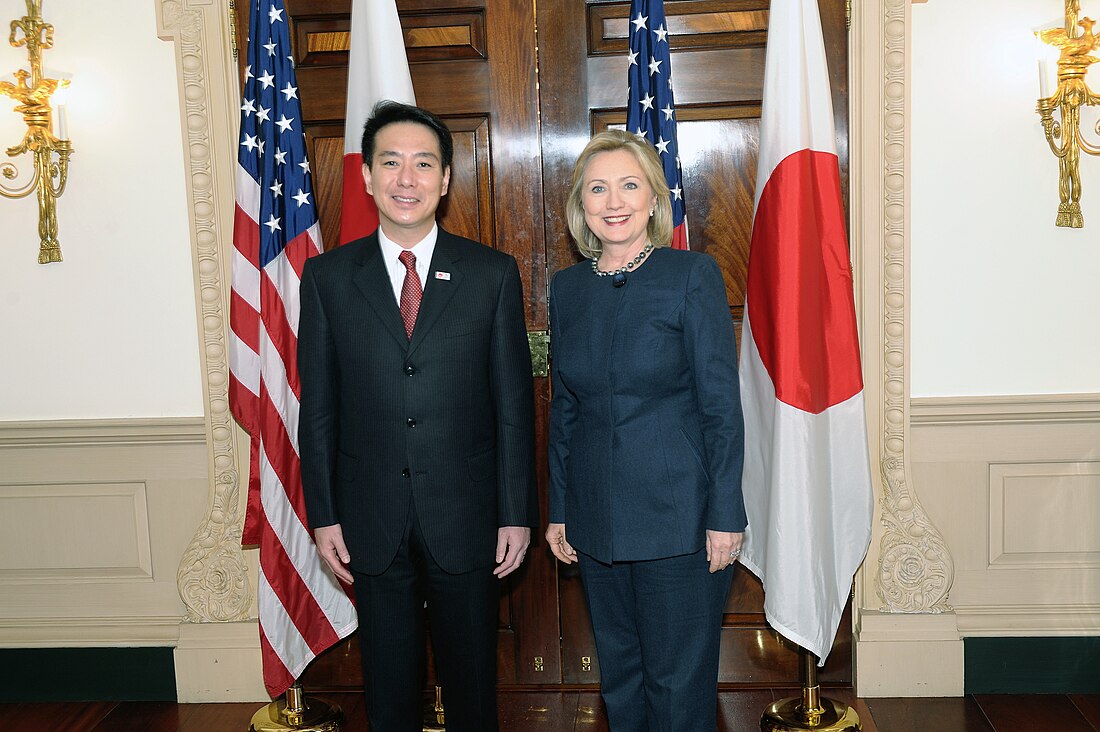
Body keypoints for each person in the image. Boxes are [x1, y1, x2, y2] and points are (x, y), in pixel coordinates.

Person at [298, 100, 538, 732]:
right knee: (389, 691)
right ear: (368, 178)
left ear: (446, 179)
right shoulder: (327, 278)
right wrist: (322, 513)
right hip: (370, 518)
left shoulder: (491, 275)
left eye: (424, 164)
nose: (408, 178)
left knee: (473, 691)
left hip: (467, 514)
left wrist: (515, 512)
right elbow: (317, 408)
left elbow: (513, 406)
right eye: (392, 163)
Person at [545, 129, 746, 731]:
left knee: (677, 684)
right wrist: (560, 508)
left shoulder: (691, 275)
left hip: (680, 518)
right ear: (581, 205)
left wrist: (725, 514)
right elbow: (565, 409)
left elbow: (721, 406)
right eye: (598, 189)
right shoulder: (569, 288)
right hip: (596, 518)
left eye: (629, 186)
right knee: (621, 678)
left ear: (655, 200)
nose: (614, 201)